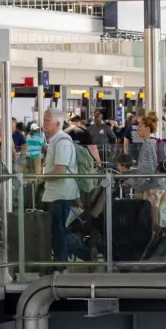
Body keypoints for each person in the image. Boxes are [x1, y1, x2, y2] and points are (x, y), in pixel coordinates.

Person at [40, 111, 94, 263]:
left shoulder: (62, 142)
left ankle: (64, 263)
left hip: (61, 195)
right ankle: (67, 260)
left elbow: (60, 171)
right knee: (59, 231)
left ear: (57, 124)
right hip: (57, 194)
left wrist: (39, 178)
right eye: (44, 119)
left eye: (47, 120)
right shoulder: (55, 141)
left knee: (60, 231)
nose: (44, 123)